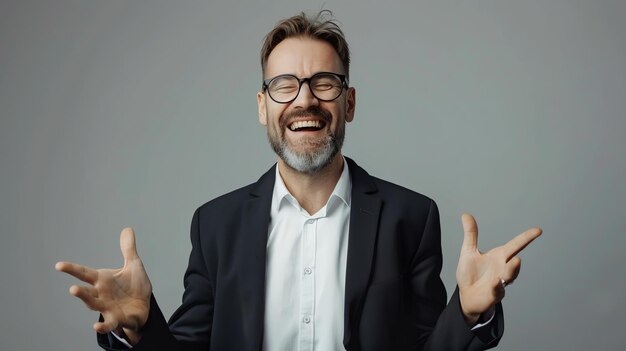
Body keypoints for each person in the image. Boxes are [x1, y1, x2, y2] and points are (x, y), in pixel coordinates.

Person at [56, 10, 542, 351]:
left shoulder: (410, 218)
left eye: (323, 83)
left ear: (348, 102)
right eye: (284, 85)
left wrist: (467, 314)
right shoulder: (215, 225)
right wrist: (139, 328)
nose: (304, 100)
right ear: (263, 106)